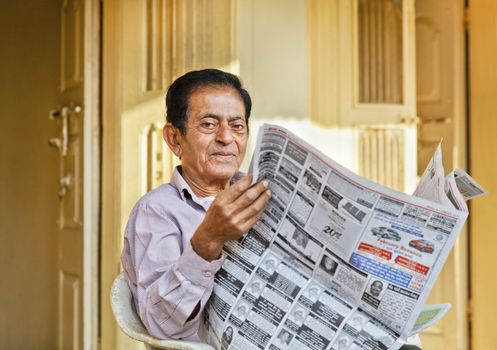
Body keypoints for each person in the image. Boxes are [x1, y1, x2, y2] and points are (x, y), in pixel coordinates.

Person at [121, 69, 272, 341]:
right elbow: (161, 327)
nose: (226, 137)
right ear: (175, 139)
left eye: (237, 126)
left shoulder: (259, 194)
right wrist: (207, 241)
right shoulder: (156, 211)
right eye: (209, 124)